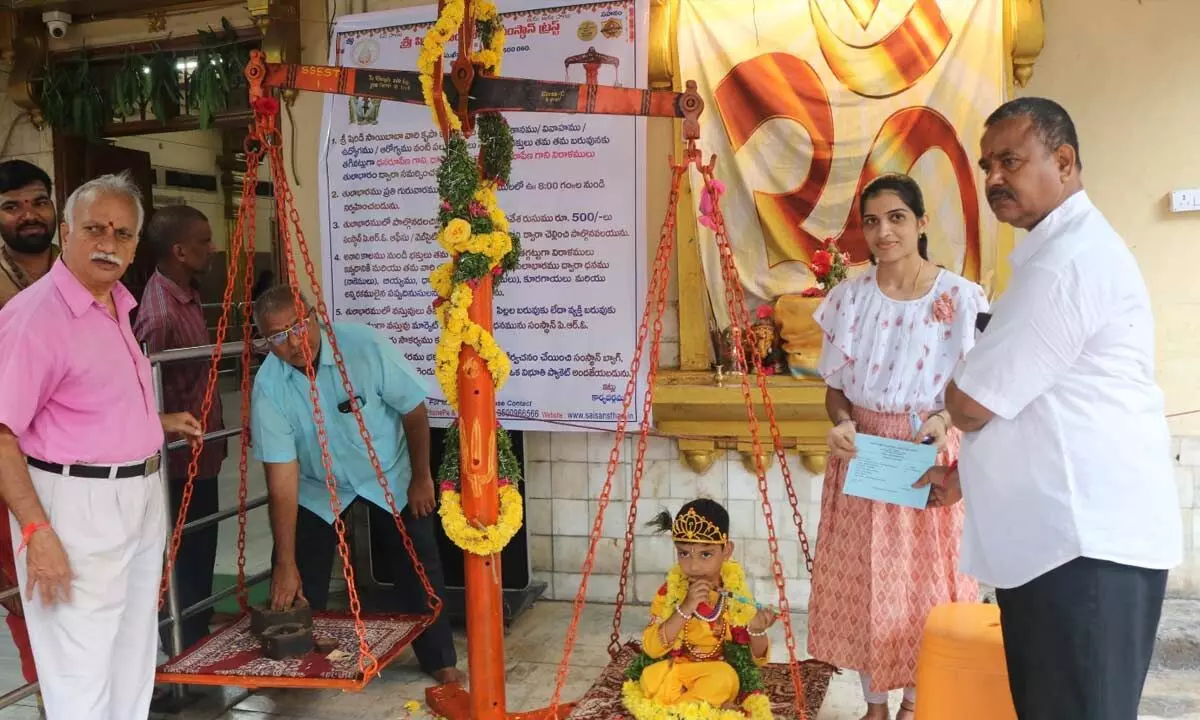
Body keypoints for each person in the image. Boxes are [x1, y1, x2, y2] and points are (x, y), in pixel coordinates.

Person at [918, 97, 1183, 720]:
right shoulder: (1055, 253)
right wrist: (962, 477)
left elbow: (972, 403)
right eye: (986, 166)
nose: (993, 179)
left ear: (1063, 162)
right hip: (1067, 545)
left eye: (1010, 161)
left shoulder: (1067, 264)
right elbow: (1044, 402)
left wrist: (959, 386)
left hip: (1083, 549)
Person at [0, 171, 203, 720]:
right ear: (66, 231)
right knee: (80, 662)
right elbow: (1, 432)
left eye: (123, 233)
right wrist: (37, 531)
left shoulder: (116, 303)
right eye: (94, 228)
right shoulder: (35, 319)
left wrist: (153, 421)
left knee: (132, 649)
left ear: (137, 244)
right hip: (73, 505)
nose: (108, 242)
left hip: (135, 494)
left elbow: (84, 398)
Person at [806, 174, 987, 720]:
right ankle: (875, 706)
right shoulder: (849, 299)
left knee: (927, 586)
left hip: (926, 456)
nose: (883, 231)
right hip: (864, 459)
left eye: (897, 217)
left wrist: (945, 417)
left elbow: (976, 388)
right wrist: (840, 423)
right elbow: (835, 391)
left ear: (921, 222)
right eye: (872, 221)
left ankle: (914, 703)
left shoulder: (960, 296)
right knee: (864, 583)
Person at [248, 285, 463, 684]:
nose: (293, 343)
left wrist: (421, 477)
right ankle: (297, 662)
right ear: (265, 342)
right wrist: (285, 562)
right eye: (277, 336)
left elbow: (414, 410)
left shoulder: (363, 346)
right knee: (295, 571)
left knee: (419, 565)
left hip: (388, 473)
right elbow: (281, 480)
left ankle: (440, 660)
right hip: (318, 484)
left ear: (315, 317)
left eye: (298, 326)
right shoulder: (269, 387)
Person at [133, 205, 226, 652]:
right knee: (184, 556)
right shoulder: (159, 313)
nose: (212, 248)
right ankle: (182, 645)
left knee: (201, 546)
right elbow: (141, 388)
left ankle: (196, 633)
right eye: (205, 240)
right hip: (176, 461)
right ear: (180, 251)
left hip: (200, 454)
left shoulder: (185, 296)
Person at [628, 499, 777, 713]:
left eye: (706, 554)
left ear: (726, 550)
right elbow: (652, 648)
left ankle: (677, 712)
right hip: (677, 671)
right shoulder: (669, 592)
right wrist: (685, 607)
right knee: (650, 680)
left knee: (724, 679)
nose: (693, 566)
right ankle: (697, 710)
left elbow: (757, 659)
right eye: (684, 553)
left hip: (715, 672)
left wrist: (757, 630)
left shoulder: (734, 594)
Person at [0, 159, 58, 689]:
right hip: (9, 460)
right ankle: (49, 698)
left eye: (38, 201)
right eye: (12, 206)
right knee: (25, 590)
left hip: (80, 461)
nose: (29, 215)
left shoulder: (82, 267)